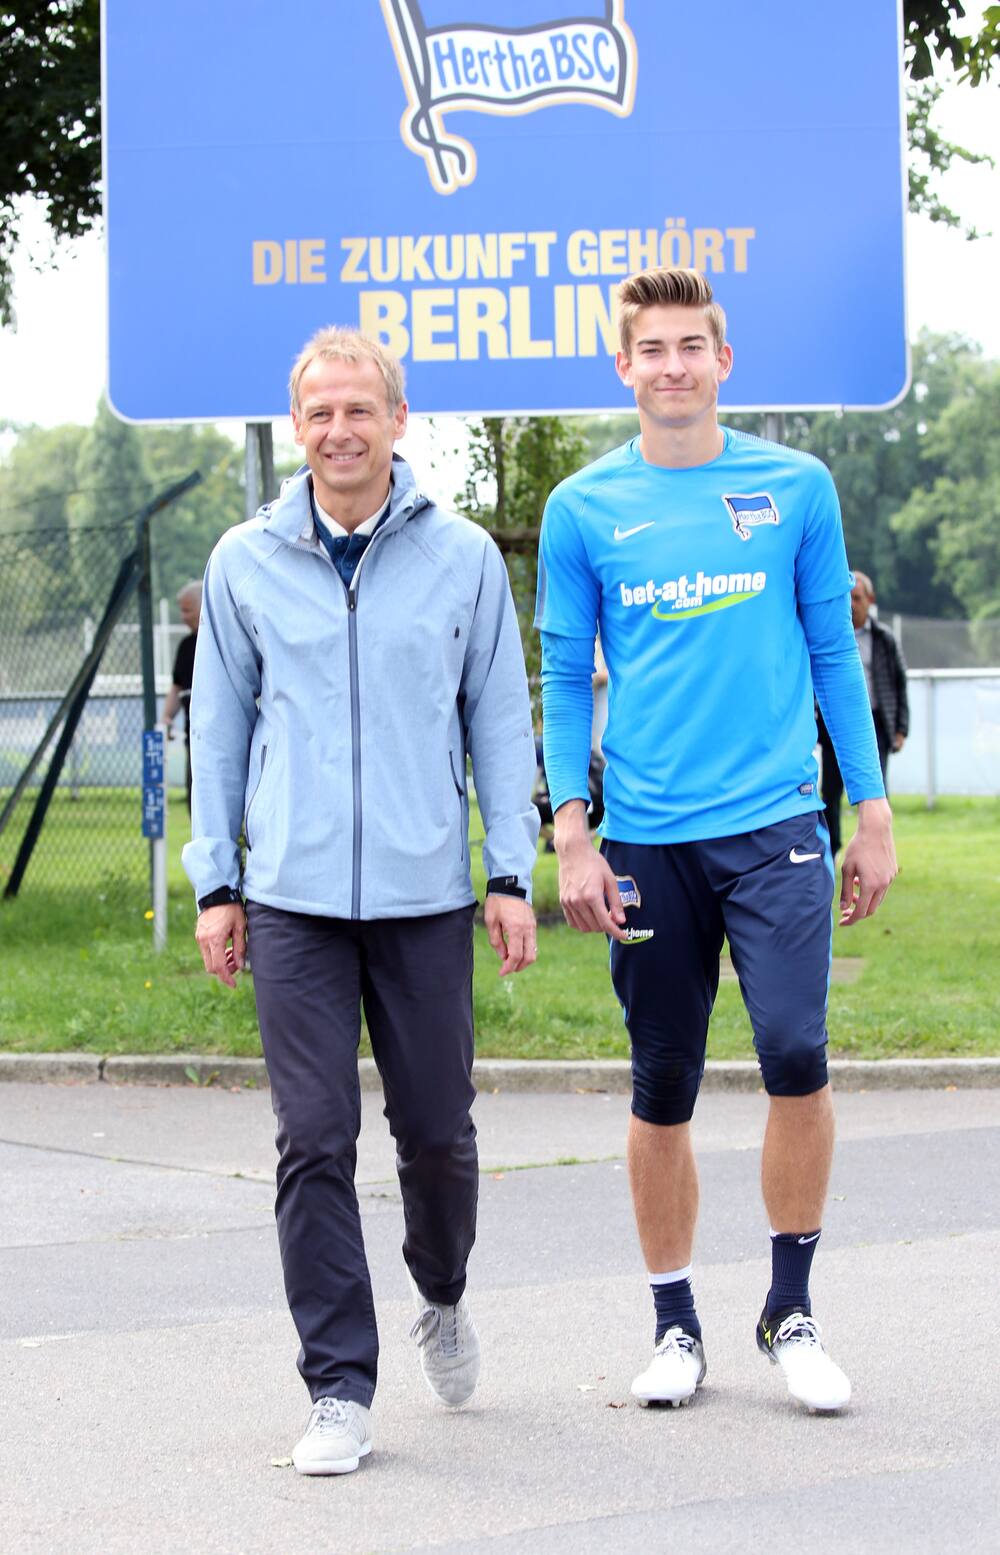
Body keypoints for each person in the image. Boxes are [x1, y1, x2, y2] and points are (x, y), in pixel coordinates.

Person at [536, 267, 897, 1416]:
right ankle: (674, 1325)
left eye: (693, 345)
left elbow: (833, 656)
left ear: (721, 361)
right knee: (662, 1086)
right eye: (653, 348)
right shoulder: (583, 509)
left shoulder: (792, 486)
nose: (674, 365)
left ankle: (788, 1308)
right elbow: (557, 678)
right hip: (644, 839)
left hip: (779, 823)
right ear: (625, 366)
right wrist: (571, 833)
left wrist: (872, 808)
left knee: (795, 1052)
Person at [182, 328, 539, 1475]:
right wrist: (217, 883)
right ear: (299, 427)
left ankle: (441, 1290)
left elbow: (497, 719)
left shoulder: (464, 558)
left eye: (360, 410)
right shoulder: (244, 560)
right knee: (313, 1138)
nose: (340, 430)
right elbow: (224, 734)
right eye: (320, 412)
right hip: (288, 897)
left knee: (436, 1133)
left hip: (426, 892)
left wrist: (507, 870)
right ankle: (338, 1385)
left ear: (397, 419)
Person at [818, 571, 908, 855]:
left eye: (857, 598)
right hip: (835, 726)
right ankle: (831, 850)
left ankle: (877, 851)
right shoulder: (830, 636)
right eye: (848, 598)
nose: (852, 604)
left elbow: (899, 683)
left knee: (875, 790)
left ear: (870, 600)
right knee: (830, 792)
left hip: (876, 724)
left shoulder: (884, 639)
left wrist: (901, 727)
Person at [161, 580, 201, 810]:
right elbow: (177, 687)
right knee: (194, 802)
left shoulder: (221, 639)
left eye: (187, 610)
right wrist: (166, 717)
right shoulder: (186, 646)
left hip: (222, 737)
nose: (183, 616)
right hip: (193, 738)